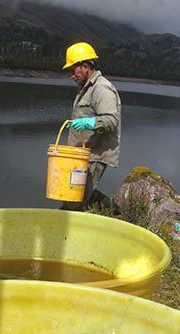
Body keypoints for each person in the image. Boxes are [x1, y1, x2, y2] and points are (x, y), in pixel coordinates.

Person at [60, 42, 121, 211]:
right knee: (77, 194)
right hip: (82, 156)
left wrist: (89, 122)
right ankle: (115, 211)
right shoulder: (86, 88)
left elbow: (111, 120)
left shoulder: (101, 88)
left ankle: (66, 229)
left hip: (94, 156)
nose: (71, 75)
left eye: (73, 70)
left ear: (85, 66)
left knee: (75, 201)